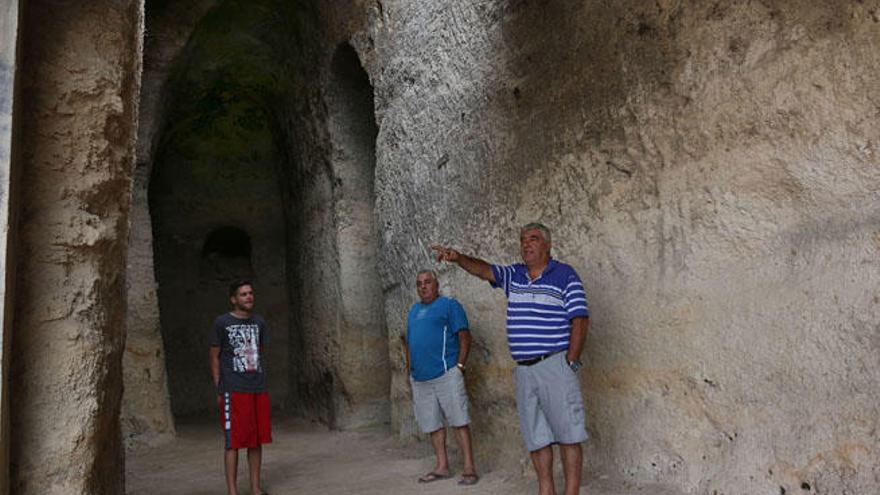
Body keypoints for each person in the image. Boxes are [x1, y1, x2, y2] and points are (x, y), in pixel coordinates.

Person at [432, 223, 589, 495]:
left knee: (569, 435)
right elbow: (484, 270)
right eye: (522, 240)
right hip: (525, 371)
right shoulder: (514, 275)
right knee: (536, 437)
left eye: (534, 239)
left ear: (547, 245)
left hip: (555, 365)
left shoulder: (564, 275)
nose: (526, 244)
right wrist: (458, 258)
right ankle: (546, 490)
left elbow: (580, 319)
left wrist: (570, 362)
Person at [405, 270, 479, 486]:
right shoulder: (414, 311)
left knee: (459, 420)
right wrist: (409, 371)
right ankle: (442, 466)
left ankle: (469, 467)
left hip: (446, 373)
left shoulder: (449, 305)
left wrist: (459, 367)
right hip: (420, 378)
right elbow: (409, 343)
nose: (423, 287)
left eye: (428, 282)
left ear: (436, 285)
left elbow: (464, 336)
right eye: (419, 283)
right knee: (432, 424)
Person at [209, 280, 272, 495]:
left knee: (256, 440)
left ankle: (255, 488)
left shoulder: (260, 323)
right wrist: (219, 387)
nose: (249, 297)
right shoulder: (222, 323)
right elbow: (215, 357)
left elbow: (260, 351)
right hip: (233, 389)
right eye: (243, 294)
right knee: (233, 442)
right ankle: (232, 492)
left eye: (251, 293)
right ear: (233, 299)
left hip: (257, 387)